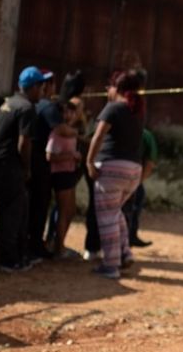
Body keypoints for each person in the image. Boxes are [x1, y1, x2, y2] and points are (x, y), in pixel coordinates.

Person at [86, 70, 145, 279]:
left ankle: (110, 265)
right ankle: (124, 253)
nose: (107, 91)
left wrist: (89, 161)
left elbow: (98, 135)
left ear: (116, 88)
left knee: (107, 216)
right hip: (133, 171)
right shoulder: (136, 111)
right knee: (115, 212)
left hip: (111, 169)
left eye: (109, 87)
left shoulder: (113, 108)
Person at [0, 67, 45, 272]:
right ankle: (8, 260)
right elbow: (24, 143)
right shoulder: (27, 108)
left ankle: (18, 256)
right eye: (41, 87)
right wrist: (26, 168)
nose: (43, 92)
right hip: (11, 166)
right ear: (34, 87)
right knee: (13, 213)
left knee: (13, 210)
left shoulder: (7, 103)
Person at [27, 69, 59, 260]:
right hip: (40, 161)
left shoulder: (32, 105)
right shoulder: (48, 107)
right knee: (40, 204)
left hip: (28, 158)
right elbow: (61, 129)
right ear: (48, 86)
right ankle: (35, 246)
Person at [46, 98, 83, 257]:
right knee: (63, 211)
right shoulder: (57, 132)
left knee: (70, 211)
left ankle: (59, 244)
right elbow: (50, 156)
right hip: (61, 174)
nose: (69, 114)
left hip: (69, 173)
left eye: (72, 111)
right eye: (66, 111)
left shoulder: (69, 130)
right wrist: (71, 156)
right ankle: (58, 248)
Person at [122, 127, 158, 247]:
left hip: (107, 175)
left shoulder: (109, 127)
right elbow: (150, 164)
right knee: (132, 207)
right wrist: (137, 183)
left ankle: (93, 248)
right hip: (133, 176)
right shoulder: (145, 134)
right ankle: (128, 240)